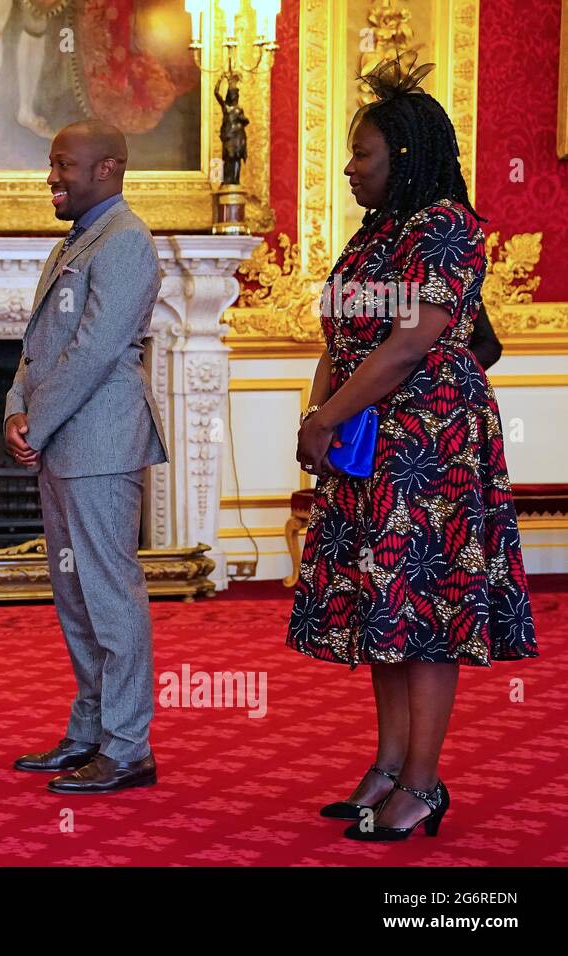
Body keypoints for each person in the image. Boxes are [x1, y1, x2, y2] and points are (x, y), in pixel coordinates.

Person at [288, 55, 537, 841]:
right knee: (384, 606)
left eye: (362, 154)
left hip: (429, 444)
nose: (350, 169)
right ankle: (389, 766)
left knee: (425, 608)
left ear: (403, 155)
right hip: (369, 440)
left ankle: (424, 784)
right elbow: (340, 335)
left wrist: (327, 419)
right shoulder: (375, 234)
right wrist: (320, 412)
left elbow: (408, 343)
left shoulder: (445, 227)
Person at [5, 119, 168, 794]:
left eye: (63, 164)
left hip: (100, 445)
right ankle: (90, 733)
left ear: (107, 168)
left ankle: (128, 748)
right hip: (60, 444)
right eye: (52, 163)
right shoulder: (72, 241)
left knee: (108, 595)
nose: (51, 177)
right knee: (75, 597)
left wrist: (35, 423)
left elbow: (96, 351)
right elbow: (37, 346)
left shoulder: (126, 239)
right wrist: (14, 409)